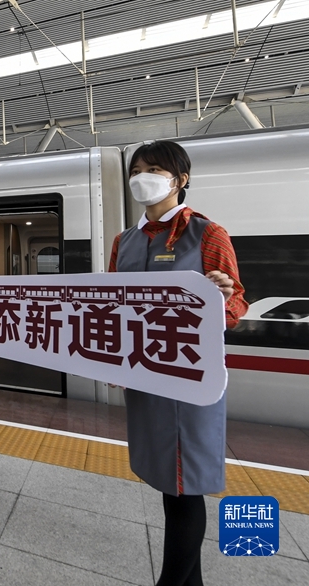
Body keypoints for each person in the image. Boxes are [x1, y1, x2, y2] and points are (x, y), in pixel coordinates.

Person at [109, 140, 248, 586]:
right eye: (136, 170)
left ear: (180, 180)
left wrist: (220, 298)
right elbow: (111, 305)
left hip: (189, 380)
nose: (141, 178)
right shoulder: (125, 241)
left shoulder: (207, 233)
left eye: (153, 170)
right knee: (170, 484)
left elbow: (237, 305)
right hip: (145, 377)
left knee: (186, 488)